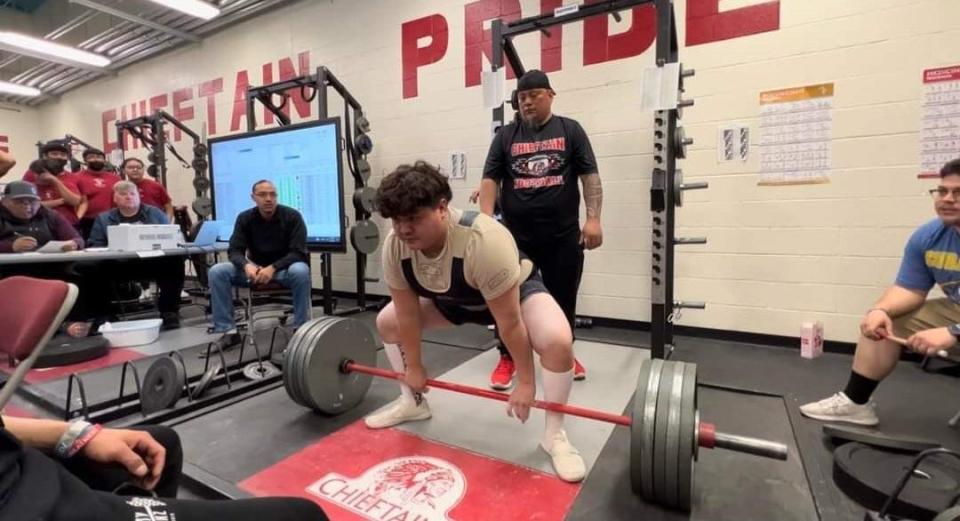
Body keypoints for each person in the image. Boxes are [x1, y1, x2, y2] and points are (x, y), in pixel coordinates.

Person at [366, 161, 586, 483]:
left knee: (557, 340)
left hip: (515, 295)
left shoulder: (483, 240)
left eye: (413, 218)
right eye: (397, 220)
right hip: (455, 298)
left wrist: (526, 382)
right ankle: (411, 402)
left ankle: (555, 434)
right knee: (388, 322)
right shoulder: (395, 245)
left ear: (442, 208)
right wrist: (413, 366)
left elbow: (508, 323)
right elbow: (407, 313)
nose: (403, 229)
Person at [800, 158, 960, 426]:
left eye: (958, 193)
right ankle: (855, 402)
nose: (947, 199)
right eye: (942, 191)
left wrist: (954, 331)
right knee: (886, 324)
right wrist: (880, 310)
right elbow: (909, 288)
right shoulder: (929, 236)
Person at [480, 69, 603, 389]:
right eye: (522, 97)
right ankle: (507, 357)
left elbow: (590, 176)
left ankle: (563, 352)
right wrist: (485, 224)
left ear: (550, 95)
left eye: (534, 95)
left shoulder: (571, 130)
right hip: (516, 238)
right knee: (508, 298)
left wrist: (593, 219)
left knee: (563, 297)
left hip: (563, 235)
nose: (528, 102)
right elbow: (490, 179)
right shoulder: (506, 136)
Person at [0, 415, 328, 520]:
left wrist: (73, 434)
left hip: (22, 466)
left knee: (162, 443)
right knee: (301, 515)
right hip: (29, 505)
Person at [207, 179, 312, 348]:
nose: (268, 199)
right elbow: (234, 250)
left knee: (300, 270)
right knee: (217, 271)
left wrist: (273, 268)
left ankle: (300, 330)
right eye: (263, 195)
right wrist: (246, 265)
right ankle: (228, 332)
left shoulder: (292, 217)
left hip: (284, 271)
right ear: (253, 197)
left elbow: (298, 252)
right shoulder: (245, 218)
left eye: (272, 194)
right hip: (255, 271)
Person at [86, 181, 185, 330]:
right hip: (118, 264)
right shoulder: (104, 218)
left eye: (132, 193)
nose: (128, 197)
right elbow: (95, 244)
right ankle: (104, 315)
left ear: (139, 196)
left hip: (152, 262)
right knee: (92, 268)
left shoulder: (155, 213)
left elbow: (171, 236)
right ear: (115, 198)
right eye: (123, 194)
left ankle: (169, 311)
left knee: (174, 263)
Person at [0, 181, 83, 253]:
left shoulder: (50, 215)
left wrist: (74, 244)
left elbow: (77, 239)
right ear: (4, 202)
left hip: (49, 266)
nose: (28, 206)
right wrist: (11, 247)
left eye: (32, 201)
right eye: (20, 202)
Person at [22, 143, 83, 232]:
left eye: (63, 155)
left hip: (68, 223)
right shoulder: (32, 174)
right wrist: (60, 201)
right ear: (45, 156)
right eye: (54, 154)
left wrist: (55, 181)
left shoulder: (71, 178)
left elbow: (76, 201)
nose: (59, 157)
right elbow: (29, 205)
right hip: (39, 225)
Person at [75, 147, 120, 239]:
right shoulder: (76, 177)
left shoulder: (115, 178)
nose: (96, 159)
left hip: (111, 219)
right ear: (85, 160)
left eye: (99, 157)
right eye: (91, 157)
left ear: (104, 160)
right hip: (86, 221)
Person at [122, 157, 174, 221]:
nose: (135, 169)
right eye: (131, 167)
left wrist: (167, 223)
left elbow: (168, 206)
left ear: (143, 169)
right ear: (124, 171)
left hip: (155, 225)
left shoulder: (156, 186)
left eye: (139, 167)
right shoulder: (120, 188)